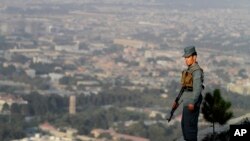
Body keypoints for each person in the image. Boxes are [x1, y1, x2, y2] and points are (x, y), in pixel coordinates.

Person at [175, 46, 204, 141]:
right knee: (185, 127)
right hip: (187, 102)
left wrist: (193, 101)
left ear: (194, 57)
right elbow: (185, 89)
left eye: (188, 57)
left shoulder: (196, 71)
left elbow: (198, 88)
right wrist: (178, 102)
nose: (186, 60)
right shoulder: (189, 70)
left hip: (191, 103)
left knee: (190, 129)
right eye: (185, 58)